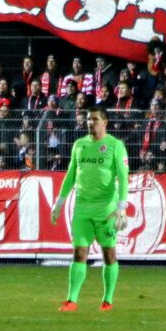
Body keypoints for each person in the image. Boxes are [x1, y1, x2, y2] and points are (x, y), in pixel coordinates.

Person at [50, 108, 128, 312]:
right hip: (82, 208)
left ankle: (108, 300)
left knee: (109, 254)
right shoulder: (79, 145)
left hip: (106, 209)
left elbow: (123, 177)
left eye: (95, 119)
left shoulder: (115, 145)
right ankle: (71, 300)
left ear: (105, 122)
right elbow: (70, 175)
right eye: (88, 120)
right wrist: (59, 203)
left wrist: (122, 206)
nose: (90, 123)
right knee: (79, 253)